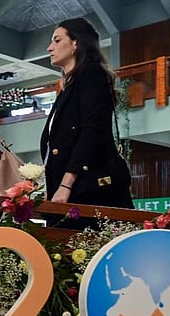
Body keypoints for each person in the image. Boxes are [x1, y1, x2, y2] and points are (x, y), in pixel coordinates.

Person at [40, 17, 133, 209]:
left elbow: (91, 131)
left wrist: (66, 184)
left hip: (87, 189)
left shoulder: (92, 75)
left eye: (57, 40)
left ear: (75, 43)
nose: (50, 48)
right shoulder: (70, 84)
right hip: (71, 187)